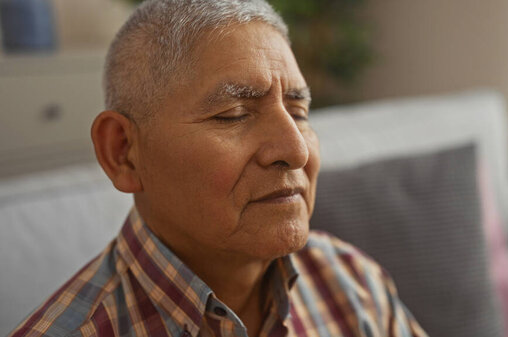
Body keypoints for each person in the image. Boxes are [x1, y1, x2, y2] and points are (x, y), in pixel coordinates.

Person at [9, 1, 427, 336]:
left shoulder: (355, 284)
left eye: (298, 112)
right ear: (123, 153)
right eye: (234, 114)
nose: (296, 151)